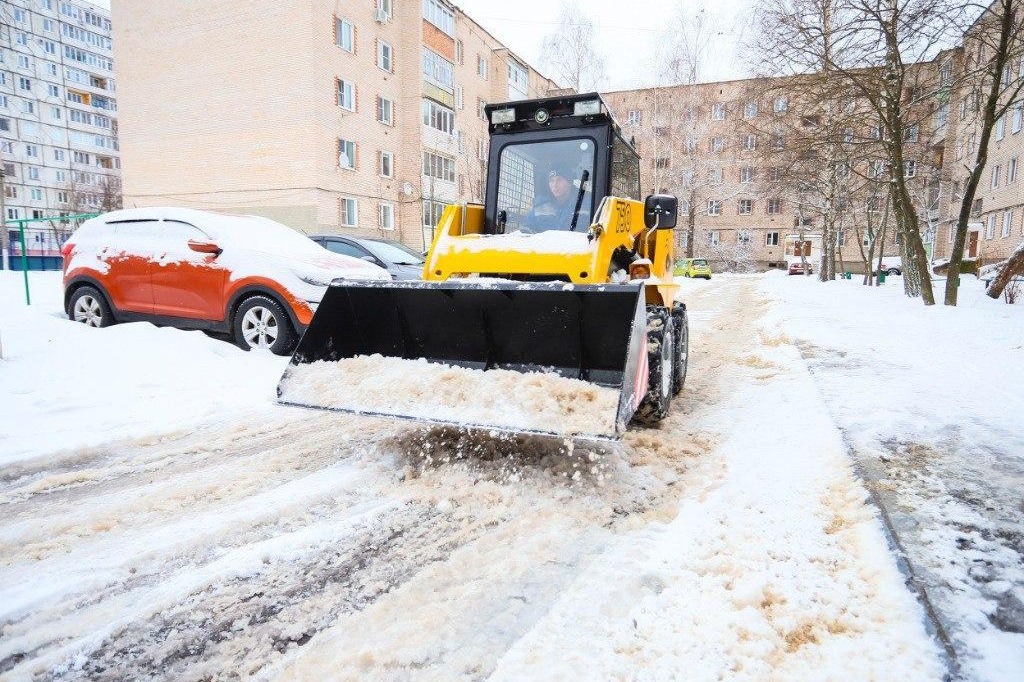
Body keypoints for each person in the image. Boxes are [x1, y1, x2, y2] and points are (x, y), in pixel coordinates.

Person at [523, 164, 591, 232]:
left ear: (569, 182)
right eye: (551, 181)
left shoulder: (587, 203)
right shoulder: (540, 207)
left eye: (559, 180)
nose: (555, 185)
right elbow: (525, 233)